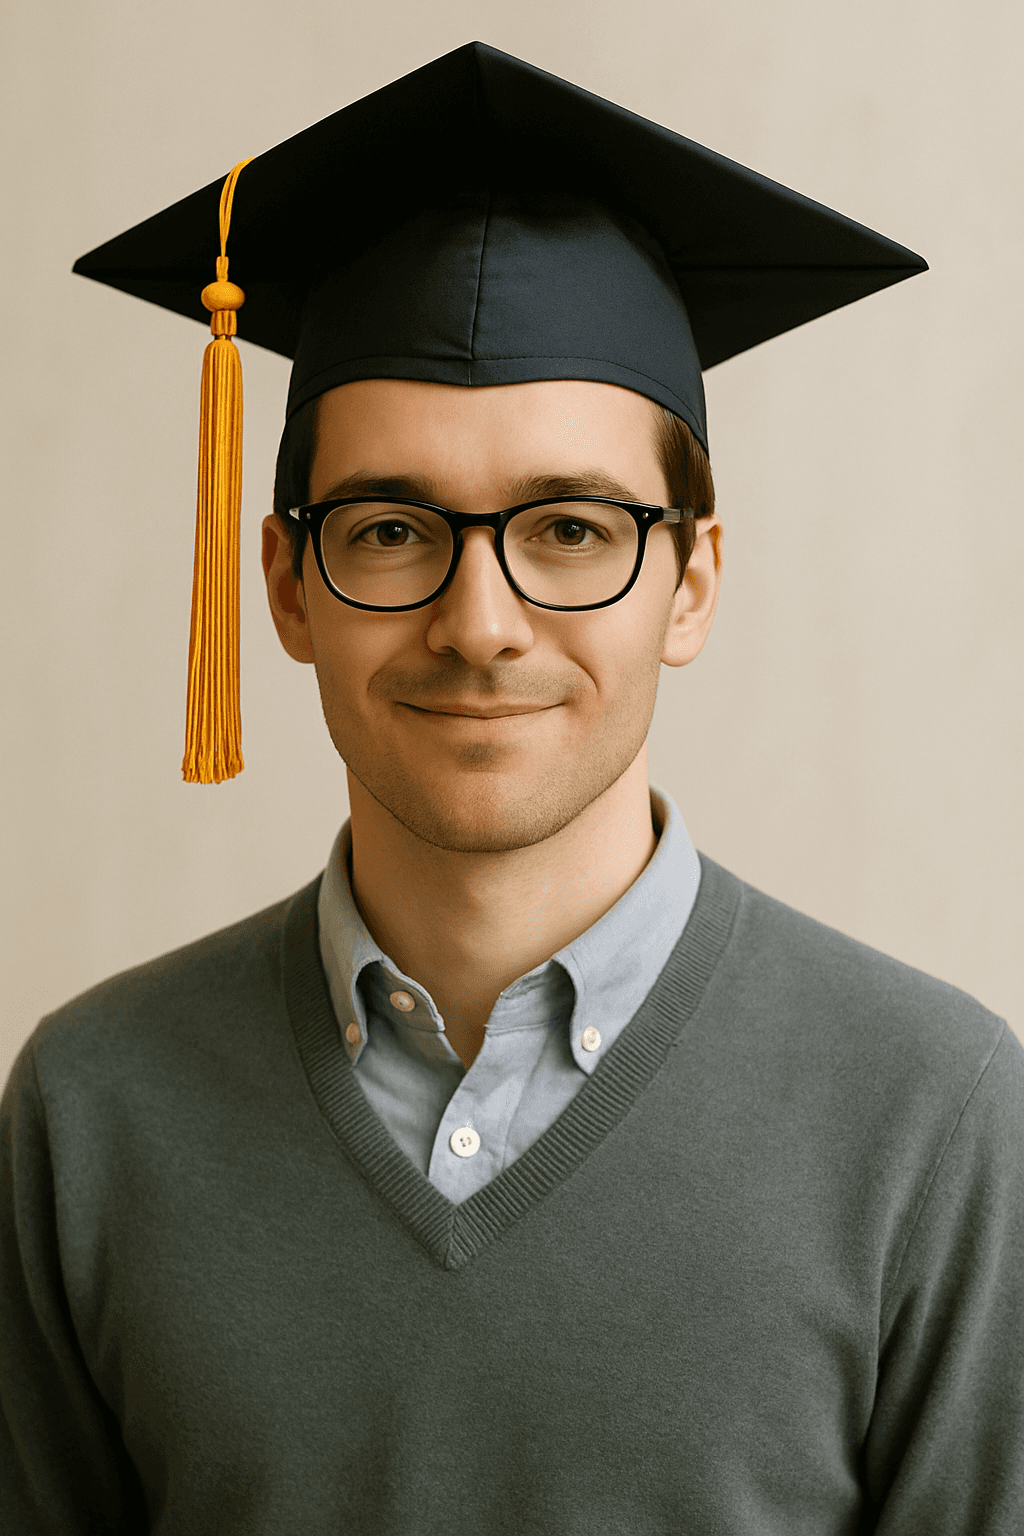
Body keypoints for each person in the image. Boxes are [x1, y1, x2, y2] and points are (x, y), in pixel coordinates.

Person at [2, 40, 1022, 1536]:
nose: (479, 624)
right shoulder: (92, 1117)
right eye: (394, 528)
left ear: (692, 580)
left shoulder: (931, 1117)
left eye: (567, 528)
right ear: (286, 585)